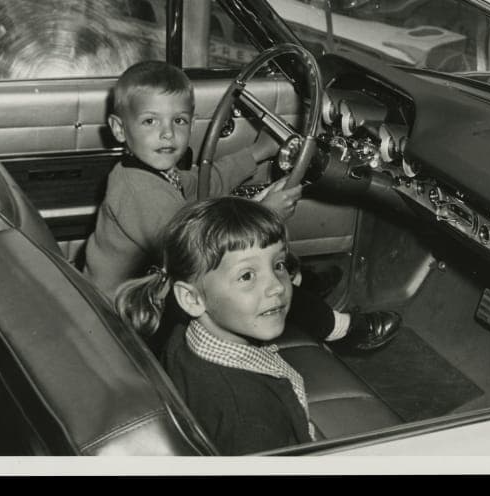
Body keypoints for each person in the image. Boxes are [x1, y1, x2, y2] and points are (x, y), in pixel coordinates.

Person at [82, 61, 401, 352]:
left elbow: (204, 183)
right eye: (150, 121)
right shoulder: (138, 190)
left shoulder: (156, 172)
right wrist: (265, 213)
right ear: (120, 129)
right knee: (254, 273)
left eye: (179, 120)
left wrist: (256, 152)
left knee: (260, 255)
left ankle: (299, 281)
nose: (168, 133)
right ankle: (340, 330)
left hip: (148, 289)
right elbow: (199, 250)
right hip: (133, 318)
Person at [115, 197, 315, 455]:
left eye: (278, 265)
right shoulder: (251, 419)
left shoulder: (180, 336)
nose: (277, 285)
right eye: (247, 276)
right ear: (192, 299)